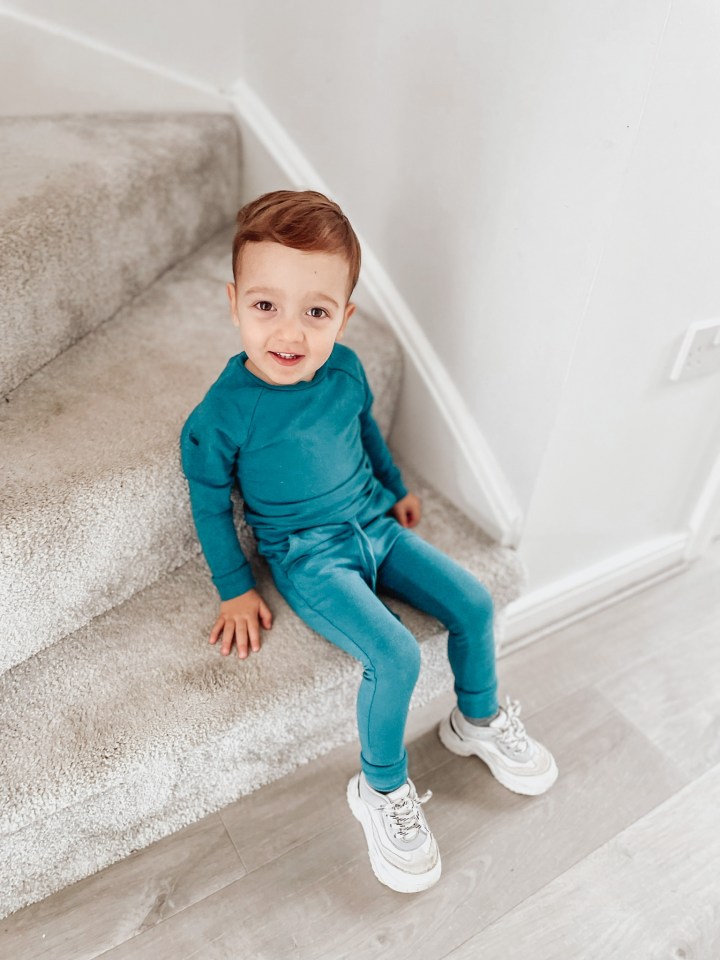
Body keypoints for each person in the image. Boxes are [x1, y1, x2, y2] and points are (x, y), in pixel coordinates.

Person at [179, 189, 558, 895]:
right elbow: (207, 504)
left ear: (343, 318)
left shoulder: (347, 368)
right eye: (266, 306)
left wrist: (394, 486)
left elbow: (364, 434)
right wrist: (234, 586)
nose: (289, 332)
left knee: (474, 604)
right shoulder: (221, 415)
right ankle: (381, 788)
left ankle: (476, 719)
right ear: (234, 303)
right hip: (307, 554)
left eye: (315, 312)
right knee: (392, 653)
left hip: (374, 525)